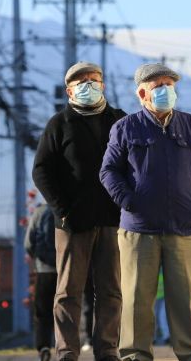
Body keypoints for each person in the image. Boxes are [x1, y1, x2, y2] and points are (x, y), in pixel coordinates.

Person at [100, 63, 191, 361]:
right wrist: (128, 200)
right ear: (142, 93)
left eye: (170, 84)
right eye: (159, 86)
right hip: (139, 229)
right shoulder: (125, 128)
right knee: (137, 300)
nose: (166, 90)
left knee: (185, 298)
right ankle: (135, 355)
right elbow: (109, 170)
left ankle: (190, 353)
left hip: (184, 225)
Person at [32, 61, 125, 361]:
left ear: (103, 85)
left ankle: (107, 350)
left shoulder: (119, 120)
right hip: (72, 224)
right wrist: (62, 211)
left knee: (110, 291)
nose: (89, 84)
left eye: (94, 79)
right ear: (69, 89)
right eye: (81, 81)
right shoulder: (59, 123)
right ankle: (67, 352)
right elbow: (41, 171)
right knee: (68, 292)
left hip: (113, 220)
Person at [25, 202, 58, 361]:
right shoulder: (66, 207)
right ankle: (66, 347)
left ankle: (44, 347)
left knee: (42, 311)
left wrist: (38, 259)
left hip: (44, 270)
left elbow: (29, 243)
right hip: (66, 270)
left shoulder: (39, 212)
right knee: (66, 309)